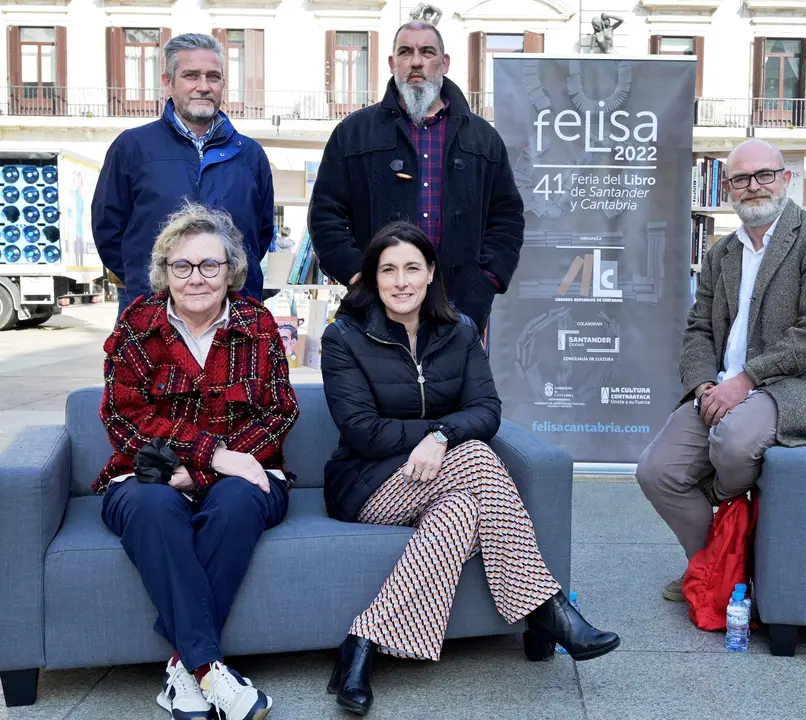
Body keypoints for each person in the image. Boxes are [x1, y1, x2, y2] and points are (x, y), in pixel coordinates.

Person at [320, 222, 619, 716]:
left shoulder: (458, 331)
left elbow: (486, 409)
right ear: (372, 278)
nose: (401, 281)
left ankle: (361, 645)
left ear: (431, 273)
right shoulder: (344, 337)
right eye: (388, 270)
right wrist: (440, 437)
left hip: (445, 479)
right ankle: (548, 609)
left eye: (412, 268)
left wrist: (441, 438)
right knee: (479, 457)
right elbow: (361, 431)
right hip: (367, 485)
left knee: (461, 508)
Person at [94, 202, 299, 720]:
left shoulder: (258, 324)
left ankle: (183, 672)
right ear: (164, 272)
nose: (196, 278)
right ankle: (207, 669)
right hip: (149, 477)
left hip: (246, 477)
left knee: (236, 502)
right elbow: (125, 418)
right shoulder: (136, 326)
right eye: (181, 266)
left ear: (231, 270)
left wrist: (209, 470)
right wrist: (213, 453)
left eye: (210, 265)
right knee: (153, 507)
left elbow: (279, 412)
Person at [635, 138, 806, 601]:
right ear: (728, 189)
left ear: (785, 179)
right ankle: (715, 569)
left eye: (764, 176)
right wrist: (701, 386)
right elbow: (698, 330)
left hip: (795, 386)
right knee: (656, 471)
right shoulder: (722, 254)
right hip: (721, 388)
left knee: (734, 445)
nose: (753, 187)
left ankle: (723, 563)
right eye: (741, 179)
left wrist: (745, 381)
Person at [307, 21, 524, 340]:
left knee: (451, 391)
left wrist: (485, 282)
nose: (417, 61)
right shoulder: (353, 133)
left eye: (427, 52)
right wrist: (359, 276)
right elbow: (326, 215)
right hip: (375, 309)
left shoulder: (483, 138)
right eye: (406, 52)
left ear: (444, 62)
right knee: (373, 390)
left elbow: (506, 219)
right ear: (393, 64)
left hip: (459, 307)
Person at [92, 32, 275, 318]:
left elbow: (261, 235)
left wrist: (220, 280)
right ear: (168, 82)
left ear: (223, 84)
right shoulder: (132, 148)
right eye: (191, 75)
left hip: (234, 313)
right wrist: (150, 284)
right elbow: (108, 230)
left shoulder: (250, 155)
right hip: (150, 312)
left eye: (213, 77)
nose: (203, 86)